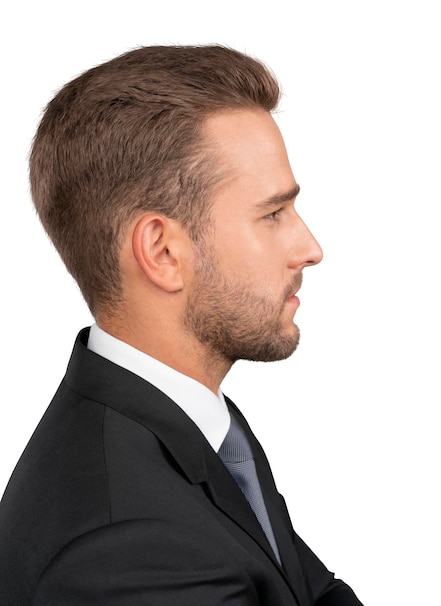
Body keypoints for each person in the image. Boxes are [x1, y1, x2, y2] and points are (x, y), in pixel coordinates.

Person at [0, 45, 362, 605]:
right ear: (163, 251)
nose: (310, 248)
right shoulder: (128, 547)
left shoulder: (191, 429)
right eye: (272, 214)